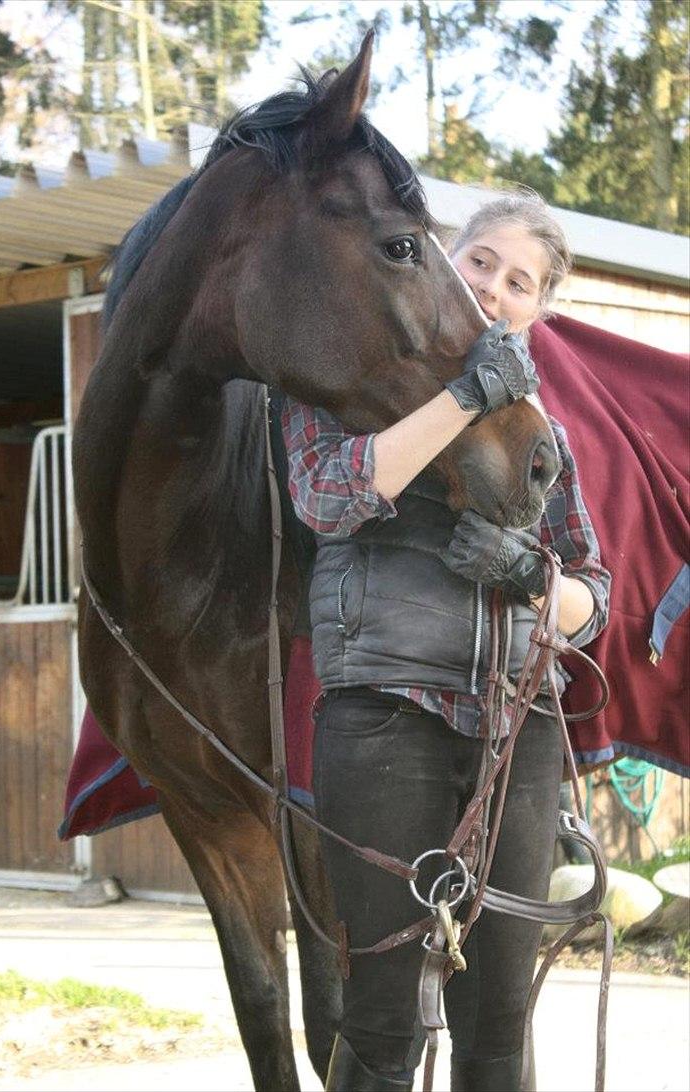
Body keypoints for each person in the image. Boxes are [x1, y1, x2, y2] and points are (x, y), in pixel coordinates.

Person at [281, 192, 610, 1092]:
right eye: (481, 264)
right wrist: (464, 397)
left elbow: (598, 597)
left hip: (519, 736)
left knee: (500, 1023)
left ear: (538, 310)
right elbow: (327, 495)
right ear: (443, 265)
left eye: (520, 282)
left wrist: (533, 581)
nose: (496, 291)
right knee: (386, 1022)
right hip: (386, 719)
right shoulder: (344, 383)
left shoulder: (545, 437)